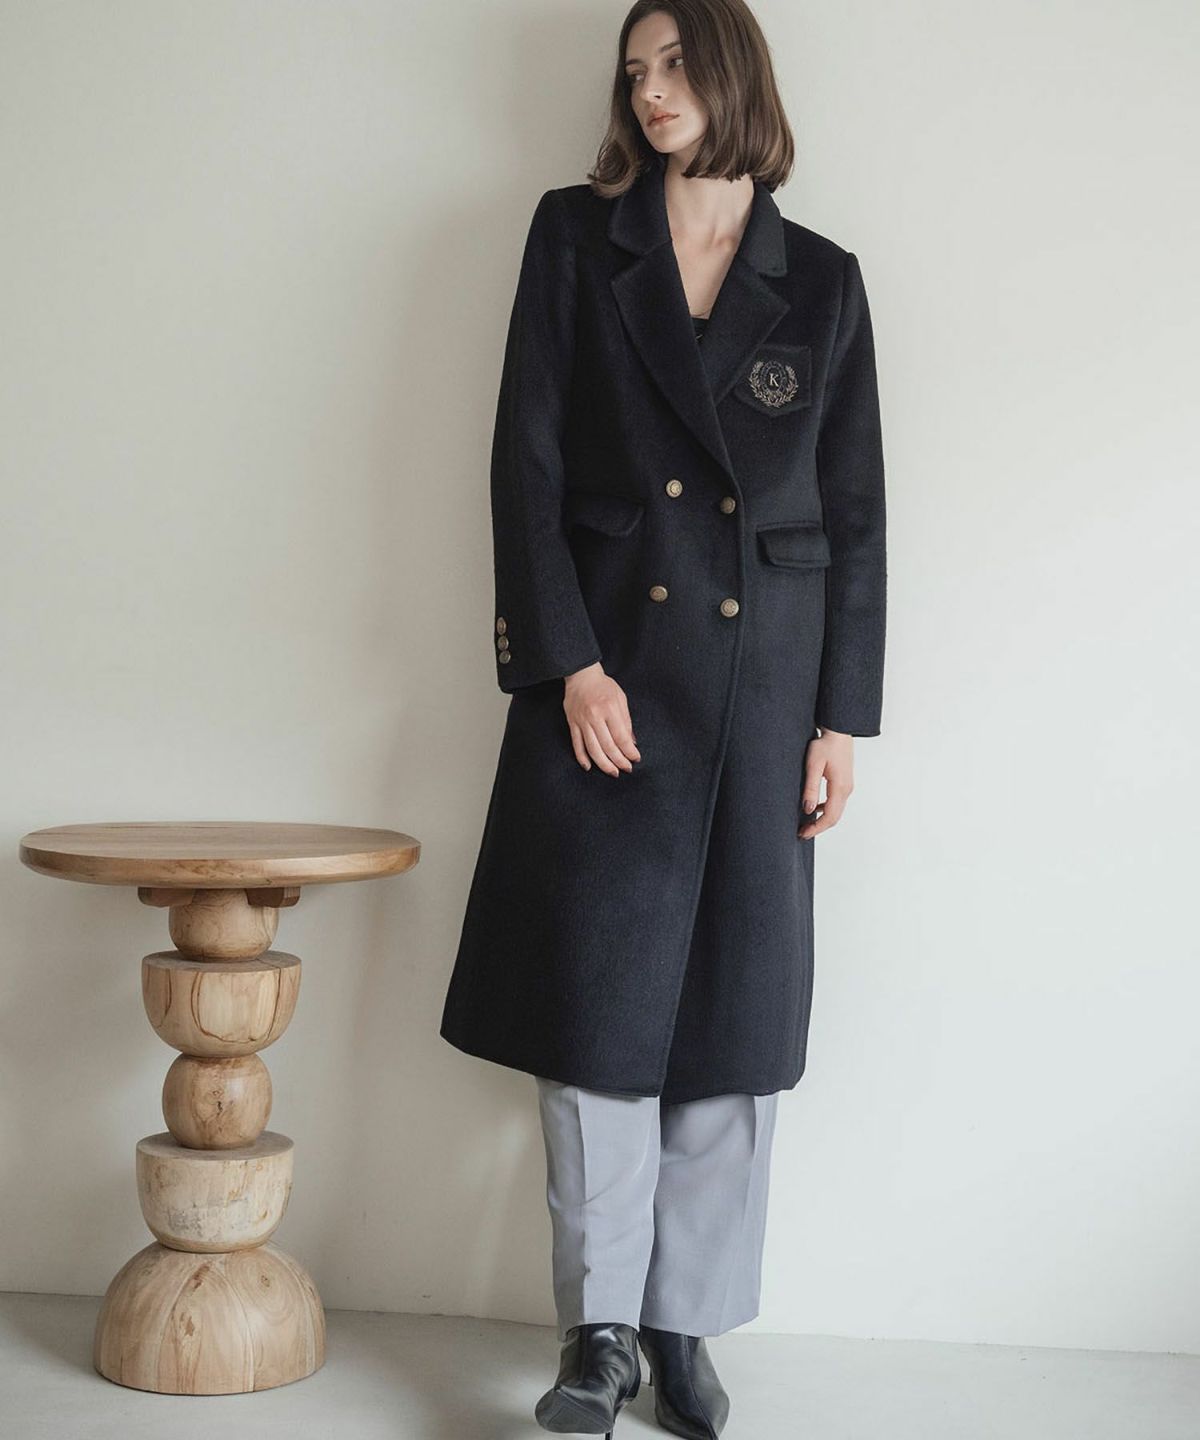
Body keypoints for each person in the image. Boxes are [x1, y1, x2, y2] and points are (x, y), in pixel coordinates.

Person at [440, 1, 887, 1434]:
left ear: (734, 71)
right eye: (634, 70)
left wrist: (840, 719)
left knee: (729, 1034)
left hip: (764, 697)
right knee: (599, 1024)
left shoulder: (821, 281)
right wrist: (568, 665)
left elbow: (854, 516)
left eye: (676, 62)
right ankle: (602, 1335)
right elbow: (525, 461)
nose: (649, 89)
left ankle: (687, 1328)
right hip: (610, 688)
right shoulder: (579, 238)